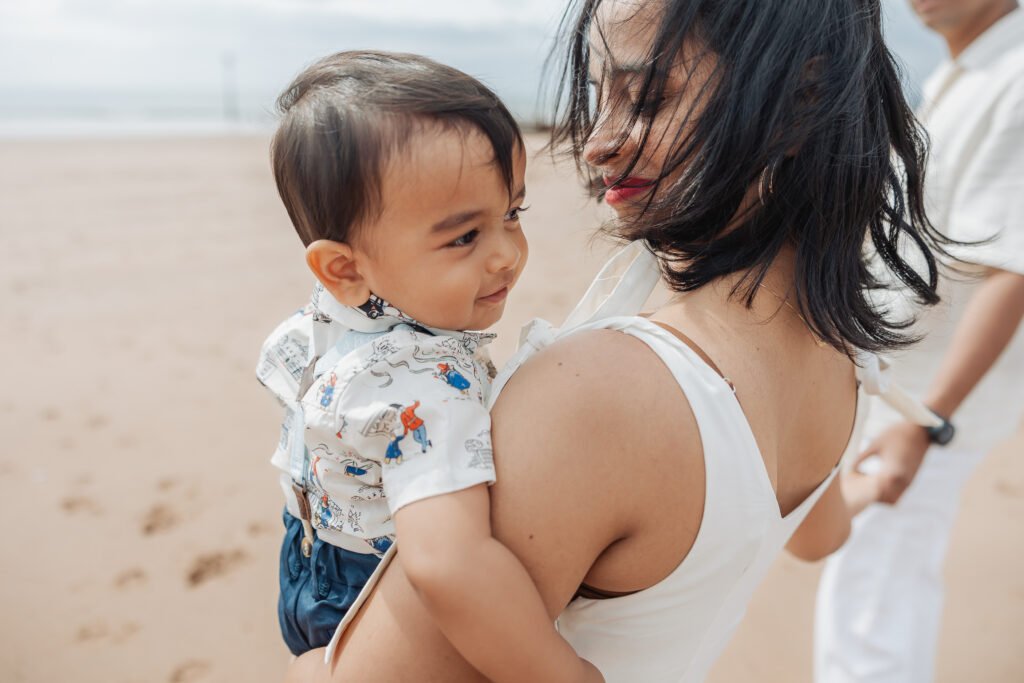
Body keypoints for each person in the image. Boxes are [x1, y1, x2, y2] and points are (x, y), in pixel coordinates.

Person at [284, 0, 951, 680]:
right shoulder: (841, 360)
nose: (597, 140)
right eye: (598, 94)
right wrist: (874, 483)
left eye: (650, 96)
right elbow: (819, 531)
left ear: (800, 102)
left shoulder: (595, 399)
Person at [256, 51, 602, 682]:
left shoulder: (334, 319)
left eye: (512, 214)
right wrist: (562, 673)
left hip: (308, 564)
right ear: (346, 269)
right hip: (371, 596)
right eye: (464, 237)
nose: (506, 255)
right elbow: (450, 565)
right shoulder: (426, 381)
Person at [815, 2, 1024, 681]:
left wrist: (925, 422)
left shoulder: (1017, 75)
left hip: (929, 402)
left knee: (870, 600)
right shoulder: (965, 70)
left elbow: (1013, 272)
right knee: (877, 585)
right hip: (904, 386)